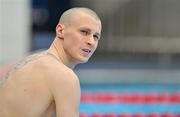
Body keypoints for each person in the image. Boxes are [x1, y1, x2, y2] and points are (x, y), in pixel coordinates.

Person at [0, 7, 102, 117]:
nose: (91, 42)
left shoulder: (29, 59)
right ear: (60, 31)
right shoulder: (65, 77)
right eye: (84, 32)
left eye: (96, 36)